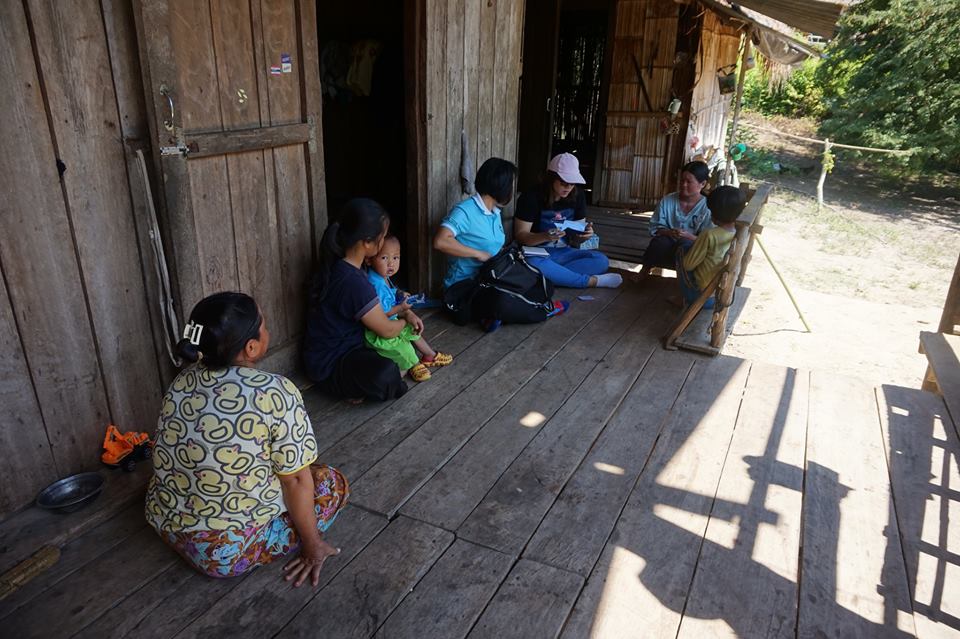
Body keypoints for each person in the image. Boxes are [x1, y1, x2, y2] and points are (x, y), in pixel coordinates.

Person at [145, 292, 348, 587]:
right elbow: (295, 481)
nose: (268, 328)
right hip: (222, 553)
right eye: (264, 324)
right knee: (330, 482)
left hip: (166, 522)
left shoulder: (182, 380)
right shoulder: (275, 392)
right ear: (251, 347)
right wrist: (313, 546)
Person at [304, 198, 421, 402]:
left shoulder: (345, 265)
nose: (384, 242)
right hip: (331, 364)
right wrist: (406, 321)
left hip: (344, 348)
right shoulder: (353, 282)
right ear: (367, 242)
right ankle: (351, 389)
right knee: (387, 373)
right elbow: (386, 329)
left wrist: (405, 312)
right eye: (382, 237)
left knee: (396, 355)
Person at [433, 157, 568, 331]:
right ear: (501, 186)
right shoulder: (464, 211)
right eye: (511, 184)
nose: (512, 189)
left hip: (495, 278)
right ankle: (543, 311)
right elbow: (441, 241)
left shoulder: (495, 211)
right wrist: (477, 254)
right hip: (466, 286)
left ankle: (491, 316)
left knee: (544, 285)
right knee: (500, 302)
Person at [514, 153, 622, 289]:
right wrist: (545, 236)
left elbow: (576, 240)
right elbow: (521, 236)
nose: (568, 187)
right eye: (563, 182)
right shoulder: (531, 196)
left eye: (572, 183)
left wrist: (585, 235)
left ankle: (555, 276)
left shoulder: (578, 195)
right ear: (551, 179)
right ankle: (590, 281)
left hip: (564, 252)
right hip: (537, 253)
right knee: (532, 263)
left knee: (601, 260)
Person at [364, 234, 453, 382]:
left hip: (392, 322)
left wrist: (399, 293)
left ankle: (429, 355)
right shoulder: (376, 285)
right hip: (380, 331)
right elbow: (381, 315)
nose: (391, 264)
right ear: (369, 260)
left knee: (413, 329)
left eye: (395, 258)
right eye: (384, 258)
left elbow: (391, 292)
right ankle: (413, 364)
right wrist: (401, 308)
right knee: (404, 349)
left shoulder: (381, 276)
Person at [676, 186, 746, 307]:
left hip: (702, 298)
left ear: (714, 213)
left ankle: (685, 297)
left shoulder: (709, 234)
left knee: (682, 249)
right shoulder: (740, 234)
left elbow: (688, 265)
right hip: (724, 296)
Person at [641, 160, 714, 276]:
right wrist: (669, 232)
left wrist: (688, 236)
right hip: (666, 248)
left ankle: (683, 280)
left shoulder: (708, 207)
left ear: (703, 184)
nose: (683, 185)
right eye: (682, 180)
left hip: (691, 252)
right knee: (659, 242)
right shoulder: (667, 200)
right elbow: (655, 228)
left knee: (685, 244)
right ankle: (644, 270)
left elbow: (709, 240)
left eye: (689, 182)